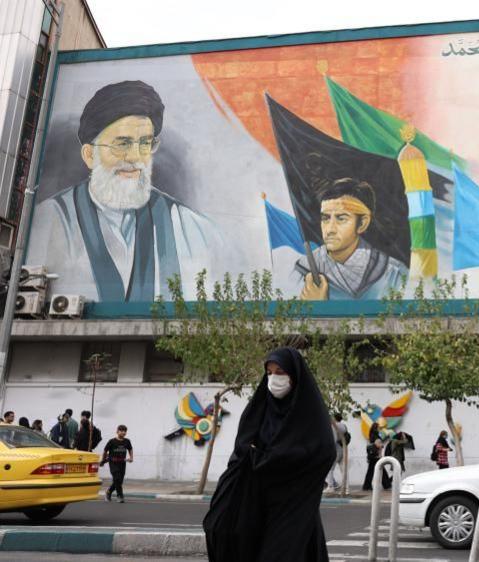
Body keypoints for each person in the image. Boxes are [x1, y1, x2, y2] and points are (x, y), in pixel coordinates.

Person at [27, 80, 215, 302]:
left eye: (145, 144)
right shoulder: (49, 220)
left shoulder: (190, 227)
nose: (135, 157)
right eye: (122, 144)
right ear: (89, 155)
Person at [203, 347, 335, 562]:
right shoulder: (260, 408)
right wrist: (259, 458)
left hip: (293, 505)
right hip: (254, 502)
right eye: (269, 372)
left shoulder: (309, 414)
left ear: (295, 375)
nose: (274, 379)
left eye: (281, 372)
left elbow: (322, 452)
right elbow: (242, 451)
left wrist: (267, 459)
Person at [298, 178, 408, 300]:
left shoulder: (394, 274)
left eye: (341, 218)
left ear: (362, 224)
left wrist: (318, 308)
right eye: (325, 218)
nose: (330, 229)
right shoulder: (301, 270)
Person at [101, 424, 133, 503]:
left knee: (119, 481)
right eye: (121, 431)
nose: (123, 433)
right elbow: (105, 451)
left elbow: (130, 449)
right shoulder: (112, 441)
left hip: (122, 462)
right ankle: (120, 496)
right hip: (113, 462)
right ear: (117, 431)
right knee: (117, 478)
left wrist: (131, 457)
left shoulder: (127, 441)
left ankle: (109, 492)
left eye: (125, 431)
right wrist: (103, 460)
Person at [327, 413, 348, 492]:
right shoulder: (343, 426)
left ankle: (331, 486)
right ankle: (345, 486)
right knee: (343, 469)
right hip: (342, 448)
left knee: (329, 468)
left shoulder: (334, 425)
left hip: (335, 448)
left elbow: (333, 438)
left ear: (334, 418)